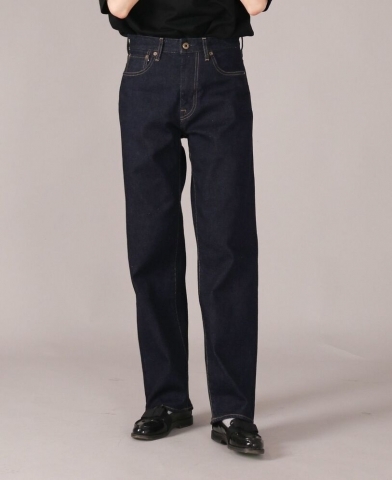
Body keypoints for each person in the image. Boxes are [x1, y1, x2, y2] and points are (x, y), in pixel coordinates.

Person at [98, 0, 273, 455]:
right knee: (151, 244)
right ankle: (166, 399)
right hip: (147, 68)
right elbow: (119, 6)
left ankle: (233, 411)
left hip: (220, 68)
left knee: (228, 244)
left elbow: (255, 5)